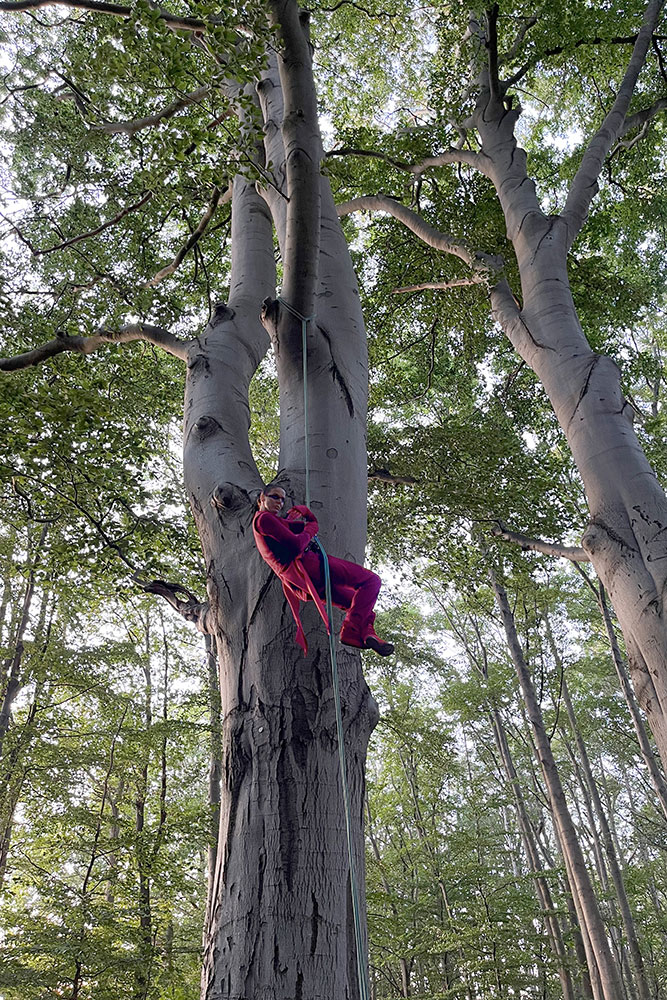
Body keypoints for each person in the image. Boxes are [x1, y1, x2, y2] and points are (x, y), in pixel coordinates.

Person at [252, 485, 394, 656]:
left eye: (283, 499)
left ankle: (367, 633)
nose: (280, 503)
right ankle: (350, 630)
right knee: (371, 581)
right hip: (310, 568)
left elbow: (298, 525)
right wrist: (310, 530)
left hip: (303, 585)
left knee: (359, 604)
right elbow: (298, 544)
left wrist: (307, 514)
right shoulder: (263, 519)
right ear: (262, 497)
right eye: (275, 497)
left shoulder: (271, 521)